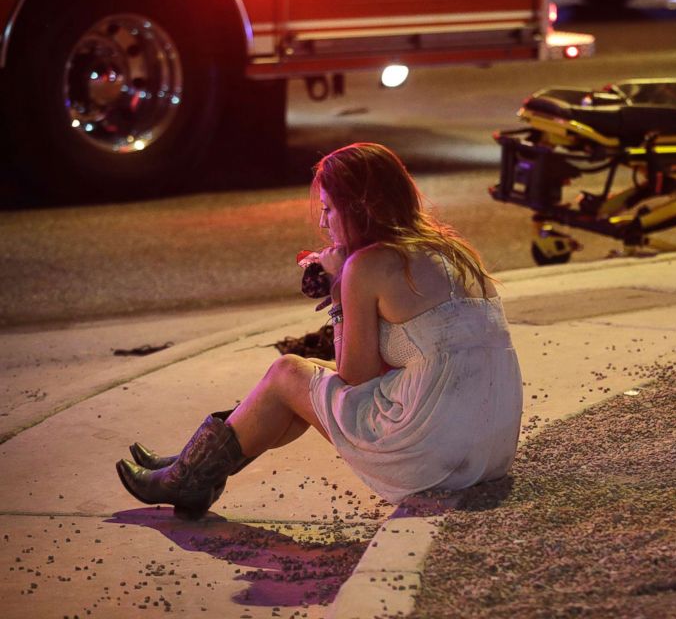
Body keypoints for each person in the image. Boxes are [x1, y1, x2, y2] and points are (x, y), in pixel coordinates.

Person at [116, 143, 524, 519]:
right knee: (305, 378)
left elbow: (355, 378)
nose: (322, 221)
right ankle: (190, 470)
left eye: (329, 208)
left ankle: (189, 475)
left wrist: (340, 294)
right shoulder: (454, 251)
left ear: (360, 206)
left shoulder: (367, 266)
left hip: (432, 454)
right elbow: (399, 363)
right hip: (490, 450)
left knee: (287, 374)